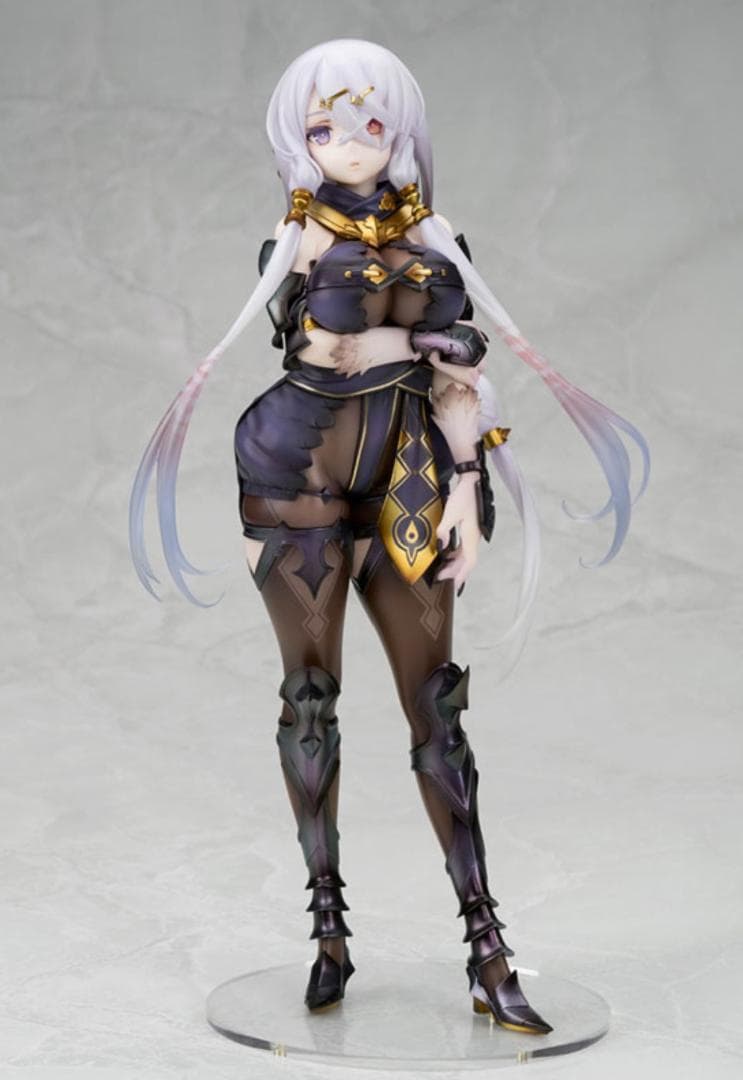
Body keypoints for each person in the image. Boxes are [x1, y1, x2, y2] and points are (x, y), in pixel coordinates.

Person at [129, 39, 648, 1034]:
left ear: (400, 129)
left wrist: (467, 485)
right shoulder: (294, 242)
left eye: (371, 121)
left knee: (436, 711)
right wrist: (417, 344)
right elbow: (326, 349)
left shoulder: (439, 237)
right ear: (299, 136)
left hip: (412, 474)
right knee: (309, 698)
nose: (351, 141)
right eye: (325, 124)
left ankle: (488, 952)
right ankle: (328, 931)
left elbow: (461, 378)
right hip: (295, 468)